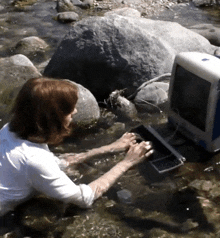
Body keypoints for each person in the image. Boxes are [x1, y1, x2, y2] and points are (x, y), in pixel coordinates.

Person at [0, 77, 153, 228]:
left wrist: (110, 148)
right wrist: (127, 162)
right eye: (68, 110)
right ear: (52, 119)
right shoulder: (34, 160)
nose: (75, 110)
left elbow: (57, 163)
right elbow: (85, 198)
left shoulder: (10, 130)